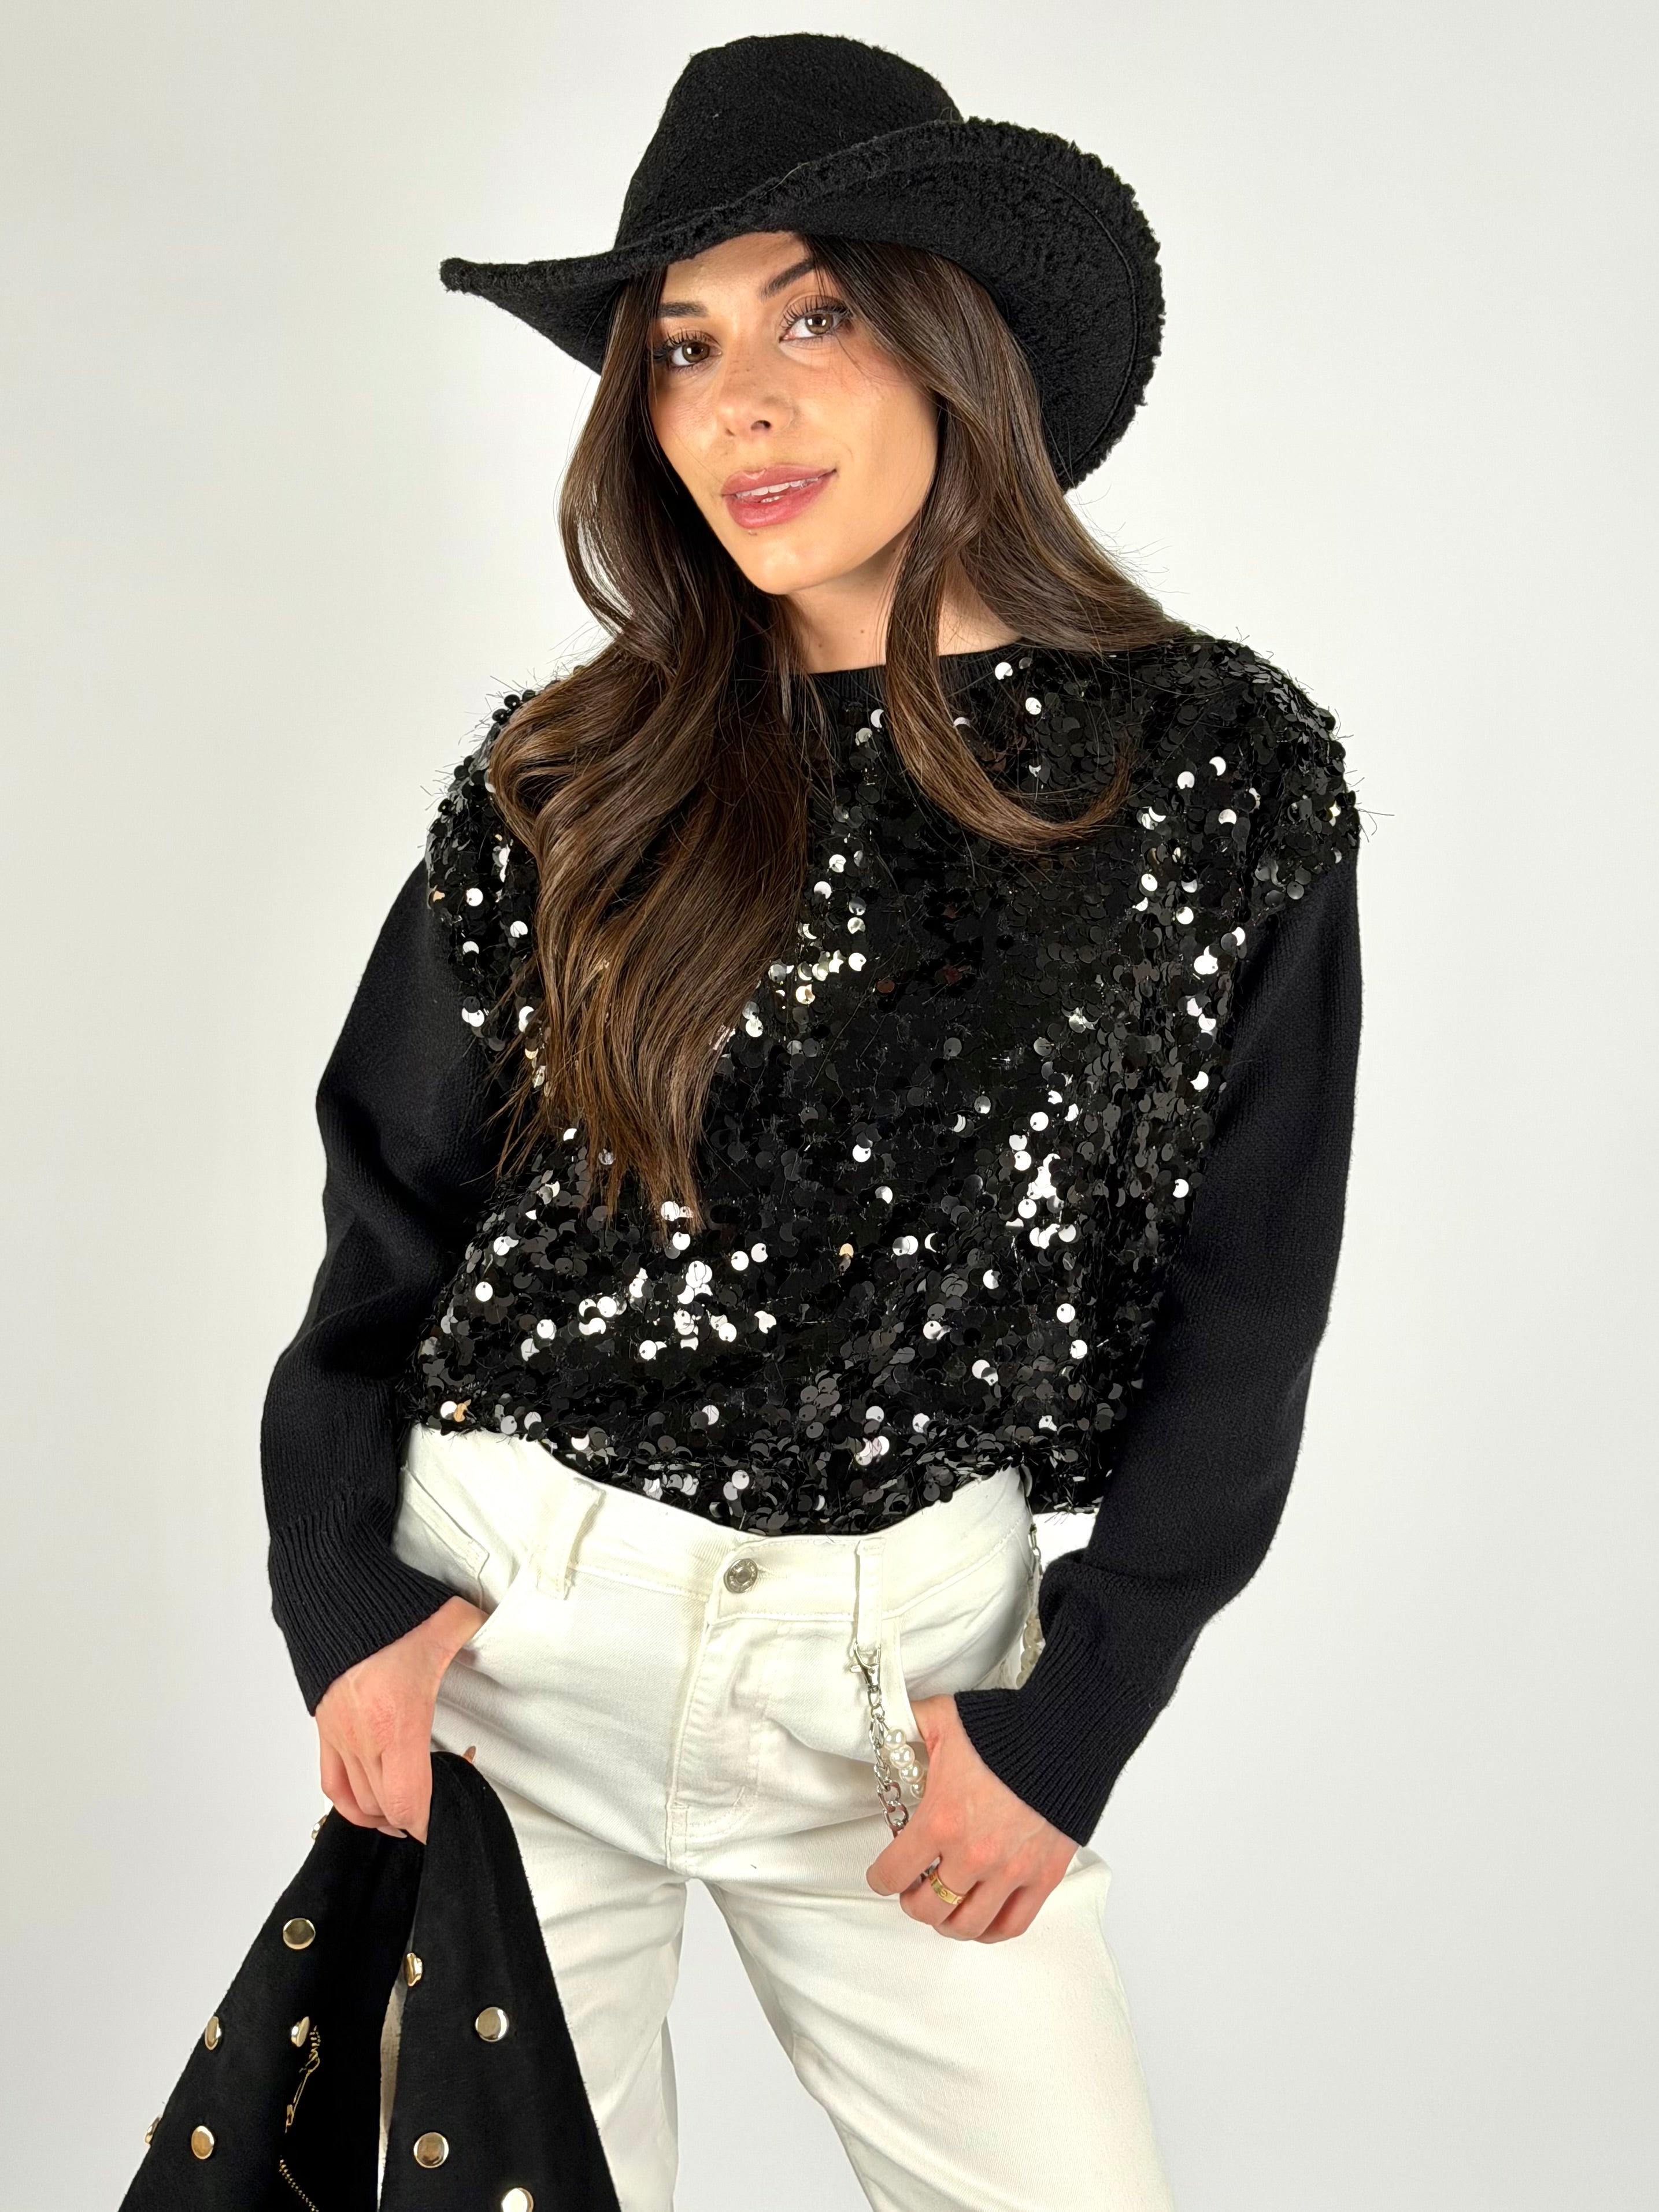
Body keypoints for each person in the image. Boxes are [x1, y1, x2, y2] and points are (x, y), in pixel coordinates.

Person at [260, 32, 1365, 2211]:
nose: (738, 407)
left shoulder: (1210, 771)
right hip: (517, 1634)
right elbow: (387, 1204)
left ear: (959, 341)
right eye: (681, 348)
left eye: (813, 317)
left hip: (909, 1680)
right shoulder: (571, 775)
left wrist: (1080, 1716)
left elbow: (1256, 1288)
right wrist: (340, 1592)